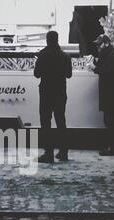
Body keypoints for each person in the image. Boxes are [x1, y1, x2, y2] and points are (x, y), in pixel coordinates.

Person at [34, 31, 72, 163]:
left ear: (47, 40)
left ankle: (48, 153)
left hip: (46, 93)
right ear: (57, 39)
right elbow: (69, 75)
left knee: (46, 123)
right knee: (61, 122)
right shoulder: (65, 56)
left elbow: (37, 74)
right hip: (60, 93)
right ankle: (63, 152)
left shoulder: (43, 55)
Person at [92, 34, 114, 156]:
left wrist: (95, 68)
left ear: (106, 43)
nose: (98, 47)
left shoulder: (113, 56)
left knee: (111, 121)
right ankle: (113, 146)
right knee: (111, 120)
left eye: (99, 44)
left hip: (111, 94)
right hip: (111, 93)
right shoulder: (110, 56)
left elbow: (108, 73)